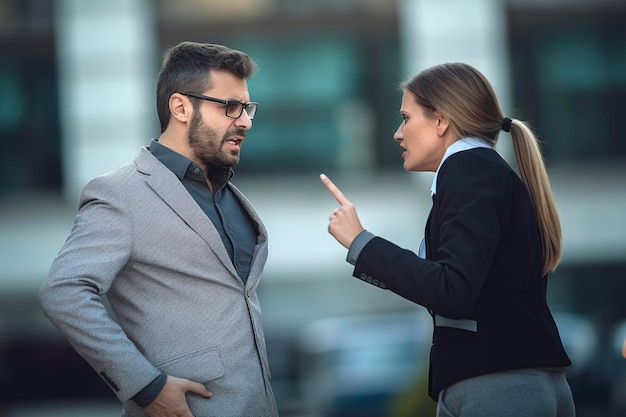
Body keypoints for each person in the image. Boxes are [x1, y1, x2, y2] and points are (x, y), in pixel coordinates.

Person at [320, 62, 575, 417]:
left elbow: (452, 290)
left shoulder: (467, 170)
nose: (397, 133)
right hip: (514, 384)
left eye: (406, 118)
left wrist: (361, 242)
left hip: (498, 388)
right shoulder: (484, 172)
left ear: (441, 121)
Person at [39, 41, 279, 417]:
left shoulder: (229, 195)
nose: (245, 121)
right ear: (181, 107)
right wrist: (145, 386)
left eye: (247, 108)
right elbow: (63, 292)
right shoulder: (120, 194)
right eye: (231, 107)